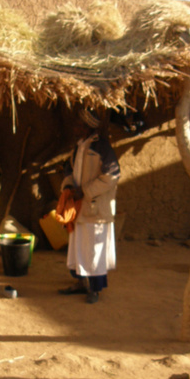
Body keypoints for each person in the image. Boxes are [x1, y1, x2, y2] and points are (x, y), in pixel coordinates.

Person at [57, 108, 121, 304]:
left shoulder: (102, 147)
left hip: (94, 207)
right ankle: (81, 283)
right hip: (79, 206)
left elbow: (112, 177)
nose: (75, 126)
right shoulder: (79, 147)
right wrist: (68, 186)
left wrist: (85, 190)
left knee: (94, 250)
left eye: (78, 124)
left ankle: (95, 289)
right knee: (79, 248)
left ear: (86, 127)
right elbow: (70, 170)